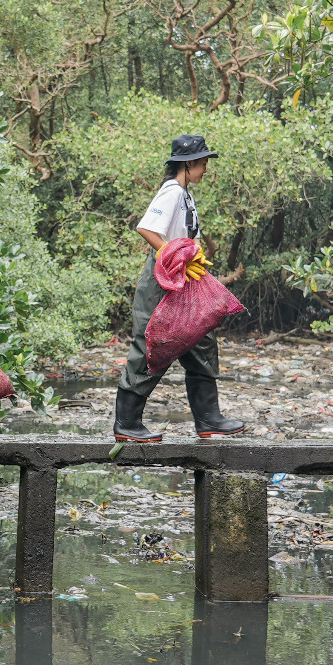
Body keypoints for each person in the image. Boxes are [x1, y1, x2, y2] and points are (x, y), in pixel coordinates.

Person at [112, 134, 245, 442]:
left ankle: (209, 419)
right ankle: (127, 423)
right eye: (202, 164)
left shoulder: (186, 194)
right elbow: (147, 228)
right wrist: (173, 255)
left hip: (183, 279)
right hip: (162, 280)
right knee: (152, 343)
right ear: (188, 164)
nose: (205, 170)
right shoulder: (171, 191)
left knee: (201, 338)